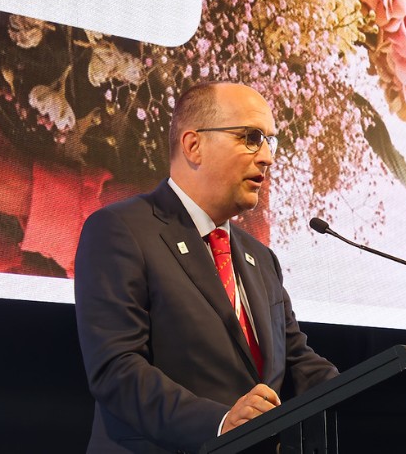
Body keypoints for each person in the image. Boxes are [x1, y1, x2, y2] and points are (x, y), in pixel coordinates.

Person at [74, 82, 338, 454]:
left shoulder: (260, 258)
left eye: (270, 142)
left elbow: (296, 362)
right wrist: (219, 423)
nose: (267, 157)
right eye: (251, 137)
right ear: (193, 145)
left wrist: (358, 393)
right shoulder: (121, 230)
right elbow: (116, 370)